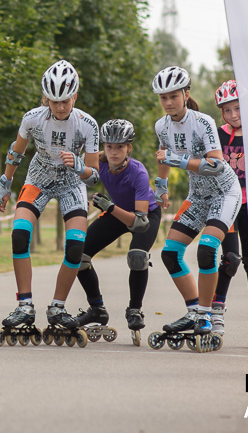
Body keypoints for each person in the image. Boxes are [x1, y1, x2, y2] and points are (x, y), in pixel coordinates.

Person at [0, 60, 100, 330]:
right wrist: (5, 182)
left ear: (75, 96)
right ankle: (24, 306)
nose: (60, 107)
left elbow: (94, 175)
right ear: (46, 99)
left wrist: (79, 166)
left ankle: (57, 307)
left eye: (65, 101)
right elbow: (16, 152)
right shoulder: (32, 118)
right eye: (54, 102)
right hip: (39, 177)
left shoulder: (88, 124)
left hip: (71, 182)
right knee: (19, 234)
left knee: (75, 245)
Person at [152, 66, 241, 339]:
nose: (168, 102)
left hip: (224, 192)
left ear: (186, 94)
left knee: (206, 249)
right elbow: (163, 155)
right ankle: (193, 310)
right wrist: (162, 186)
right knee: (170, 253)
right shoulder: (161, 125)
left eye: (174, 96)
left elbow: (216, 164)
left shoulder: (203, 122)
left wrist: (178, 160)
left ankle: (206, 315)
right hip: (198, 197)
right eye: (163, 97)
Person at [76, 119, 161, 341]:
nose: (114, 152)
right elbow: (77, 177)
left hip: (144, 215)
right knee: (78, 255)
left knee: (137, 256)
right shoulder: (97, 162)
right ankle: (97, 308)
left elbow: (140, 222)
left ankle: (134, 309)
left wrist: (110, 207)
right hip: (115, 211)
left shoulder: (138, 172)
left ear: (129, 148)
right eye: (109, 146)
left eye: (120, 147)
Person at [210, 80, 248, 348]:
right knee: (231, 258)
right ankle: (215, 311)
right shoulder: (217, 135)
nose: (233, 115)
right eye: (227, 110)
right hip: (227, 204)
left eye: (237, 108)